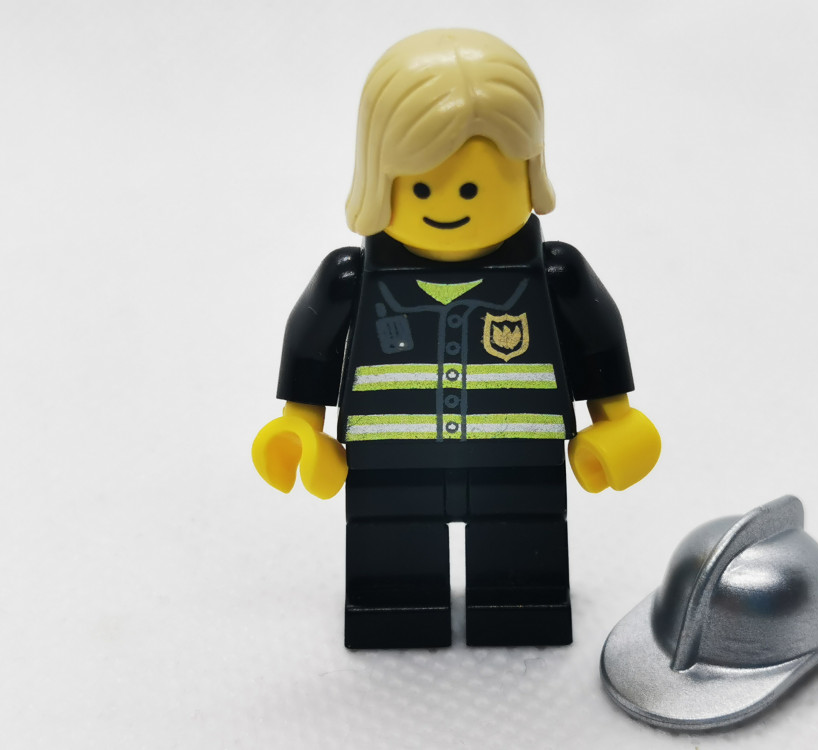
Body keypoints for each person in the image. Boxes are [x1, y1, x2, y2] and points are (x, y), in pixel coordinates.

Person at [252, 29, 661, 649]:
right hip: (391, 459)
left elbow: (595, 345)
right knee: (393, 563)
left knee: (521, 559)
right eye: (421, 187)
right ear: (378, 178)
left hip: (518, 457)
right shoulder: (352, 280)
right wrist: (301, 427)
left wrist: (618, 420)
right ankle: (394, 609)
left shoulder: (554, 275)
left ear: (529, 171)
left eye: (473, 187)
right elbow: (312, 347)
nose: (449, 204)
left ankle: (521, 605)